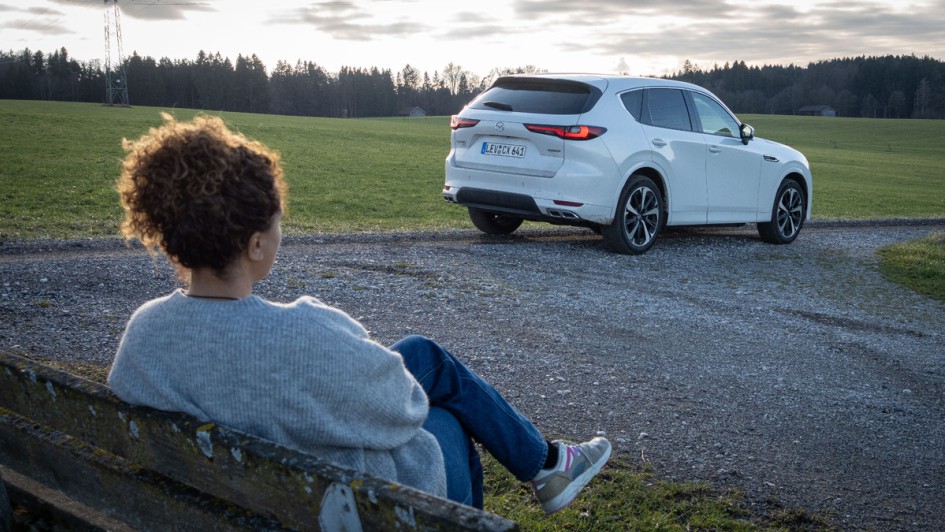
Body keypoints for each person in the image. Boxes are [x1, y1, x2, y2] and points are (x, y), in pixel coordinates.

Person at [107, 114, 611, 514]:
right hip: (341, 514)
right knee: (444, 418)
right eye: (279, 224)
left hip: (227, 506)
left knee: (419, 353)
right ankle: (546, 467)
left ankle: (548, 465)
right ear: (256, 243)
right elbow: (403, 411)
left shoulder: (144, 332)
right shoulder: (304, 331)